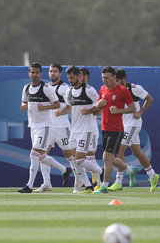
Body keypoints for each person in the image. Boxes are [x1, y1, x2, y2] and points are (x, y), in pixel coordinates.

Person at [18, 63, 72, 193]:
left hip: (45, 126)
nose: (34, 74)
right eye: (32, 72)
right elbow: (24, 101)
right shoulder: (26, 88)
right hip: (33, 126)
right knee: (41, 157)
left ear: (40, 74)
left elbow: (57, 104)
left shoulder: (46, 89)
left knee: (34, 154)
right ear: (29, 73)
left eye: (37, 72)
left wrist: (45, 107)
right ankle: (64, 170)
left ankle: (29, 186)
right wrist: (23, 105)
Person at [85, 66, 136, 194]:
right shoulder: (102, 89)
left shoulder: (123, 91)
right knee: (110, 159)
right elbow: (97, 108)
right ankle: (130, 170)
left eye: (107, 78)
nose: (104, 80)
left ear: (114, 77)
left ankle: (104, 186)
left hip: (117, 129)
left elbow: (132, 108)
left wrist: (119, 110)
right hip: (104, 127)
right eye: (103, 78)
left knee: (107, 157)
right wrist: (98, 105)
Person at [112, 68, 160, 191]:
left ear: (124, 79)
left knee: (119, 150)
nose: (116, 83)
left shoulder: (134, 88)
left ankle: (119, 181)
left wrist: (140, 112)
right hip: (123, 124)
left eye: (118, 81)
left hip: (133, 123)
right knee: (136, 152)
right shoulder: (114, 90)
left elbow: (150, 98)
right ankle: (153, 176)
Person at [36, 63, 76, 192]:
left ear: (60, 73)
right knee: (42, 154)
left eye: (55, 71)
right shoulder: (46, 87)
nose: (52, 73)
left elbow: (70, 106)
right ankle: (47, 183)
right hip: (48, 127)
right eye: (50, 71)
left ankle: (81, 181)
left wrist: (61, 112)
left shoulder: (64, 88)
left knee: (69, 155)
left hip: (62, 127)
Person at [64, 65, 103, 193]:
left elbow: (100, 106)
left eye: (72, 77)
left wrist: (89, 110)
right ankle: (87, 185)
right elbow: (70, 108)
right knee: (74, 159)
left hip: (87, 129)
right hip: (74, 129)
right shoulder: (69, 91)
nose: (70, 80)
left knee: (80, 159)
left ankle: (100, 171)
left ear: (79, 76)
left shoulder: (89, 90)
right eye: (69, 78)